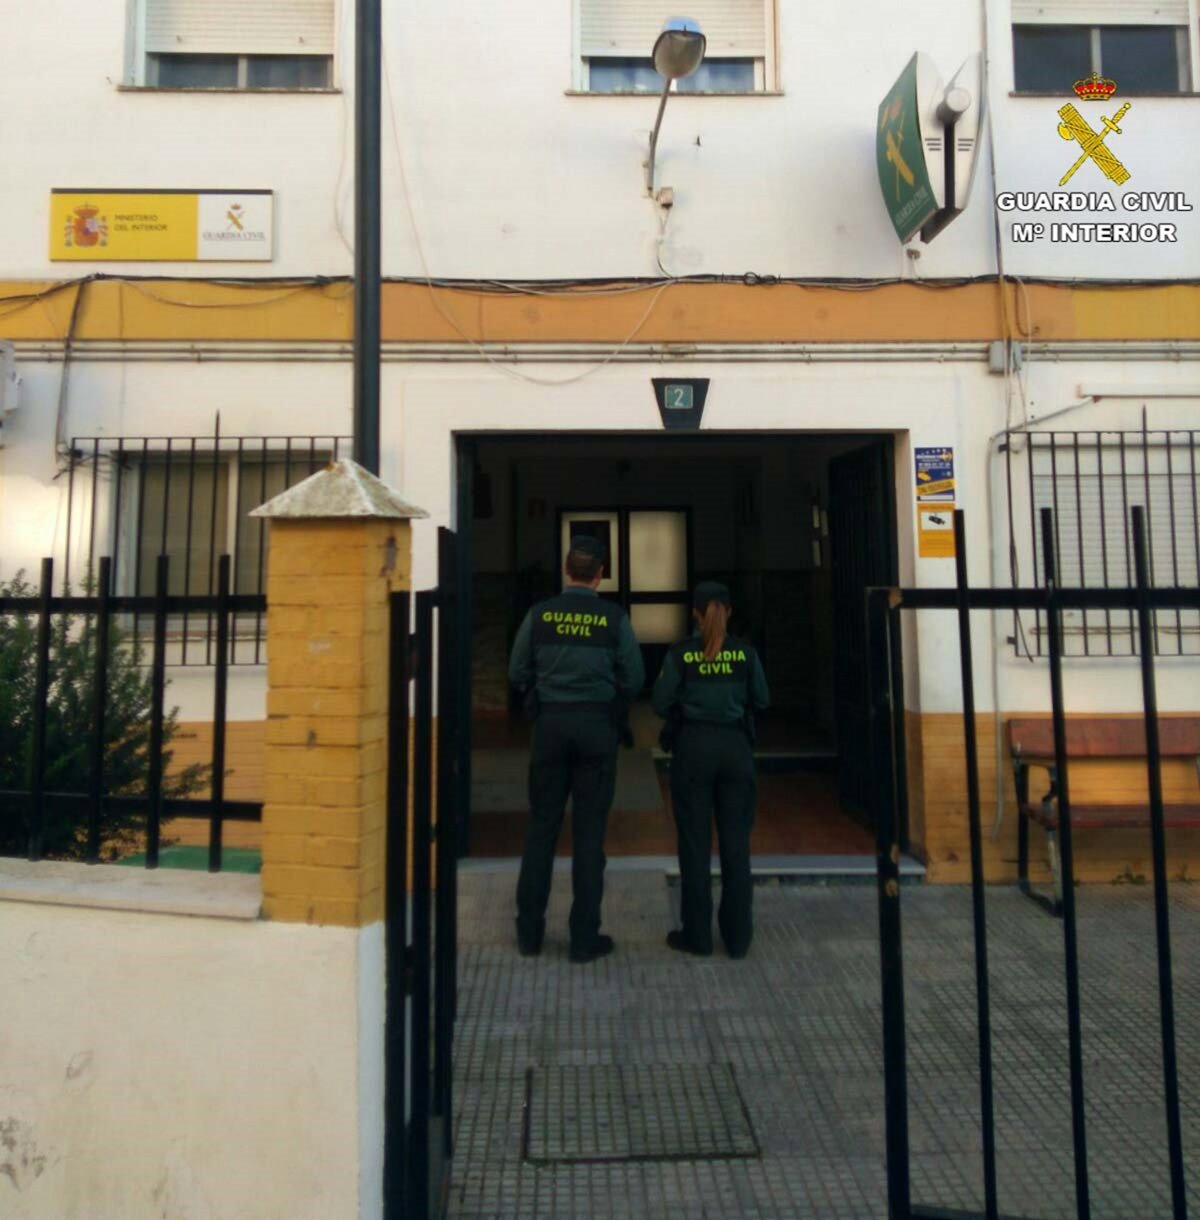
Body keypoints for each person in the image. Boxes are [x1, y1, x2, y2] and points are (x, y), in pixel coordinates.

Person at [509, 535, 645, 963]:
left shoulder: (539, 615)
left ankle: (529, 936)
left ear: (566, 570)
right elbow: (635, 678)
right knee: (589, 836)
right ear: (600, 574)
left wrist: (539, 695)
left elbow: (516, 670)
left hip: (550, 728)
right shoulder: (614, 619)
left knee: (541, 829)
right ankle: (584, 939)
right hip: (596, 729)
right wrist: (611, 703)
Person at [652, 581, 769, 959]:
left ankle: (697, 936)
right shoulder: (745, 654)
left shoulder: (681, 655)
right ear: (730, 612)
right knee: (736, 844)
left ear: (695, 615)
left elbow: (659, 702)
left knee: (694, 844)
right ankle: (738, 938)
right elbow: (762, 698)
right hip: (735, 750)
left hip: (693, 749)